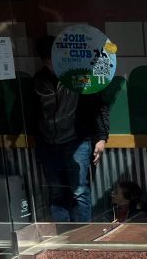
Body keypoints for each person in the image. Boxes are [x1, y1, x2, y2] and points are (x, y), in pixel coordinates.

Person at [32, 34, 110, 222]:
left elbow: (97, 105)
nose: (52, 65)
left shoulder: (78, 76)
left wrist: (101, 137)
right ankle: (64, 237)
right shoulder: (39, 80)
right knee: (56, 192)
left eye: (54, 60)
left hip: (76, 140)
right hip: (48, 142)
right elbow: (33, 111)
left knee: (79, 191)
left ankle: (82, 238)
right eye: (47, 61)